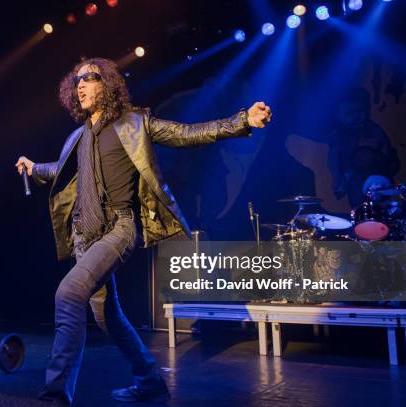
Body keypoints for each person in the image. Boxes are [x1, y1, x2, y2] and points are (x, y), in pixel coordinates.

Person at [16, 58, 271, 405]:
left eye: (89, 77)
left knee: (69, 294)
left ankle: (55, 393)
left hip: (118, 228)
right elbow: (60, 171)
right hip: (83, 237)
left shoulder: (134, 123)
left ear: (106, 84)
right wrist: (33, 169)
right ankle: (150, 380)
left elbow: (187, 134)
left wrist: (242, 121)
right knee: (110, 319)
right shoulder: (78, 137)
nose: (81, 84)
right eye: (77, 80)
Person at [328, 87, 400, 207]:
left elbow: (386, 157)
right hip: (353, 181)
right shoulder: (338, 134)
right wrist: (338, 177)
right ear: (338, 115)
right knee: (359, 207)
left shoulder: (374, 131)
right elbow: (333, 157)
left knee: (375, 205)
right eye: (350, 113)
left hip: (375, 178)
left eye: (360, 111)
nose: (356, 116)